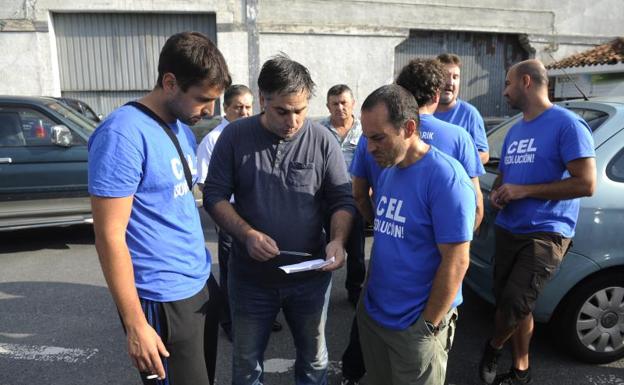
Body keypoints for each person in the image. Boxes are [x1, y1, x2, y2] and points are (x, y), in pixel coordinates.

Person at [88, 31, 231, 385]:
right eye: (202, 99)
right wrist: (136, 324)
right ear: (170, 82)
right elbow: (109, 237)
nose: (210, 110)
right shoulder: (122, 135)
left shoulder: (182, 126)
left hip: (198, 284)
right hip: (161, 297)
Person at [203, 54, 355, 385]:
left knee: (314, 361)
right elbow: (214, 196)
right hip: (250, 279)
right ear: (262, 100)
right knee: (246, 363)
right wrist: (247, 235)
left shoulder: (322, 140)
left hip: (310, 279)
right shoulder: (234, 137)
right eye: (282, 111)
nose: (293, 121)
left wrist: (338, 240)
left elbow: (342, 200)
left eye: (300, 110)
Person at [479, 60, 596, 385]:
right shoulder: (516, 129)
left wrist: (524, 191)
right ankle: (521, 369)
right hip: (509, 228)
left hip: (546, 233)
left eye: (507, 83)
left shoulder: (567, 124)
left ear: (526, 82)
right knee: (512, 304)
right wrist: (500, 193)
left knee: (515, 303)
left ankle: (492, 346)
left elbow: (586, 183)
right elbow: (508, 175)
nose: (503, 91)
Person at [357, 84, 476, 385]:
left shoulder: (446, 179)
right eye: (366, 137)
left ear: (409, 128)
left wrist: (427, 326)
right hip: (375, 315)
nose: (369, 148)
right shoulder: (388, 171)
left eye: (378, 138)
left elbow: (457, 261)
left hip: (415, 327)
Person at [196, 84, 284, 340]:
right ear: (226, 109)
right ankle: (230, 321)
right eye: (238, 107)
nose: (245, 112)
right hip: (230, 213)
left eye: (248, 107)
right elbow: (205, 184)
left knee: (262, 262)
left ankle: (264, 315)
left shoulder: (254, 135)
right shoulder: (214, 139)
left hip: (256, 210)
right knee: (232, 268)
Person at [396, 58, 484, 229]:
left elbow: (360, 194)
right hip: (442, 241)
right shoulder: (459, 136)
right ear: (436, 94)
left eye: (456, 76)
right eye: (447, 77)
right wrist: (458, 242)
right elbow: (477, 204)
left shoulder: (379, 134)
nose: (450, 83)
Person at [319, 84, 366, 305]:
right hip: (325, 200)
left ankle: (355, 289)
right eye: (334, 103)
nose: (339, 107)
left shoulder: (364, 131)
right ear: (328, 106)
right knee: (323, 246)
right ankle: (320, 291)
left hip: (355, 198)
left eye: (344, 102)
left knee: (356, 251)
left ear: (353, 104)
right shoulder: (319, 131)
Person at [434, 53, 490, 164]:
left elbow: (484, 154)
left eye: (455, 77)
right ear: (434, 79)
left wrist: (455, 166)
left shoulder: (470, 114)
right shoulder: (421, 112)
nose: (450, 82)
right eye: (445, 76)